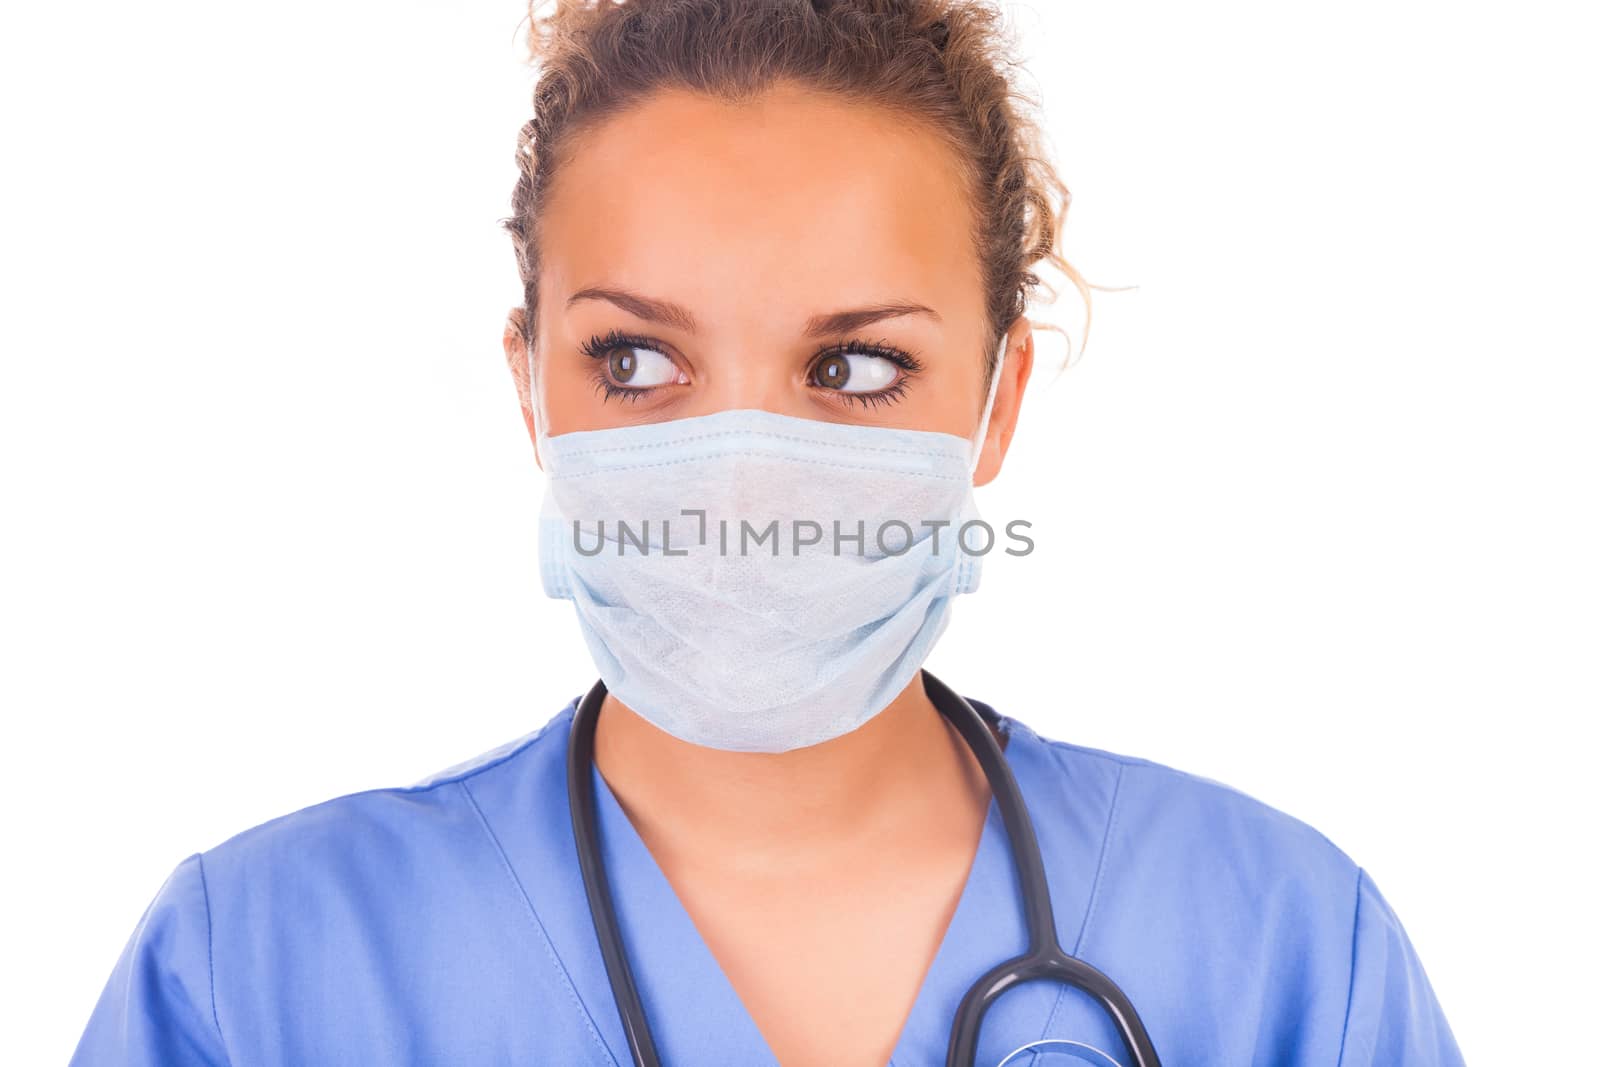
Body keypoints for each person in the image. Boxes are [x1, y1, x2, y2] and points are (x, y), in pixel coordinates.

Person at [71, 2, 1465, 1064]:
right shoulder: (261, 971)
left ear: (996, 402)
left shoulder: (1281, 949)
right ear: (527, 388)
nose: (740, 487)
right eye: (633, 360)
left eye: (854, 367)